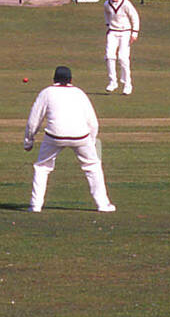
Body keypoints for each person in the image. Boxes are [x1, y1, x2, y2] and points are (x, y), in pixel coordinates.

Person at [23, 65, 114, 213]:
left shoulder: (47, 92)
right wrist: (91, 140)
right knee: (93, 166)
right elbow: (93, 122)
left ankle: (35, 205)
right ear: (71, 80)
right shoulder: (79, 93)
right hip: (81, 136)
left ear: (54, 79)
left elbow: (34, 120)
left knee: (42, 168)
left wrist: (29, 140)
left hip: (54, 136)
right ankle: (103, 205)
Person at [103, 0, 140, 95]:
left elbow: (134, 16)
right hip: (113, 32)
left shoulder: (125, 3)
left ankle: (127, 84)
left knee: (123, 58)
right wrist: (108, 24)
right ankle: (113, 82)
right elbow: (107, 14)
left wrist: (135, 32)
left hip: (125, 32)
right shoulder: (106, 4)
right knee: (109, 56)